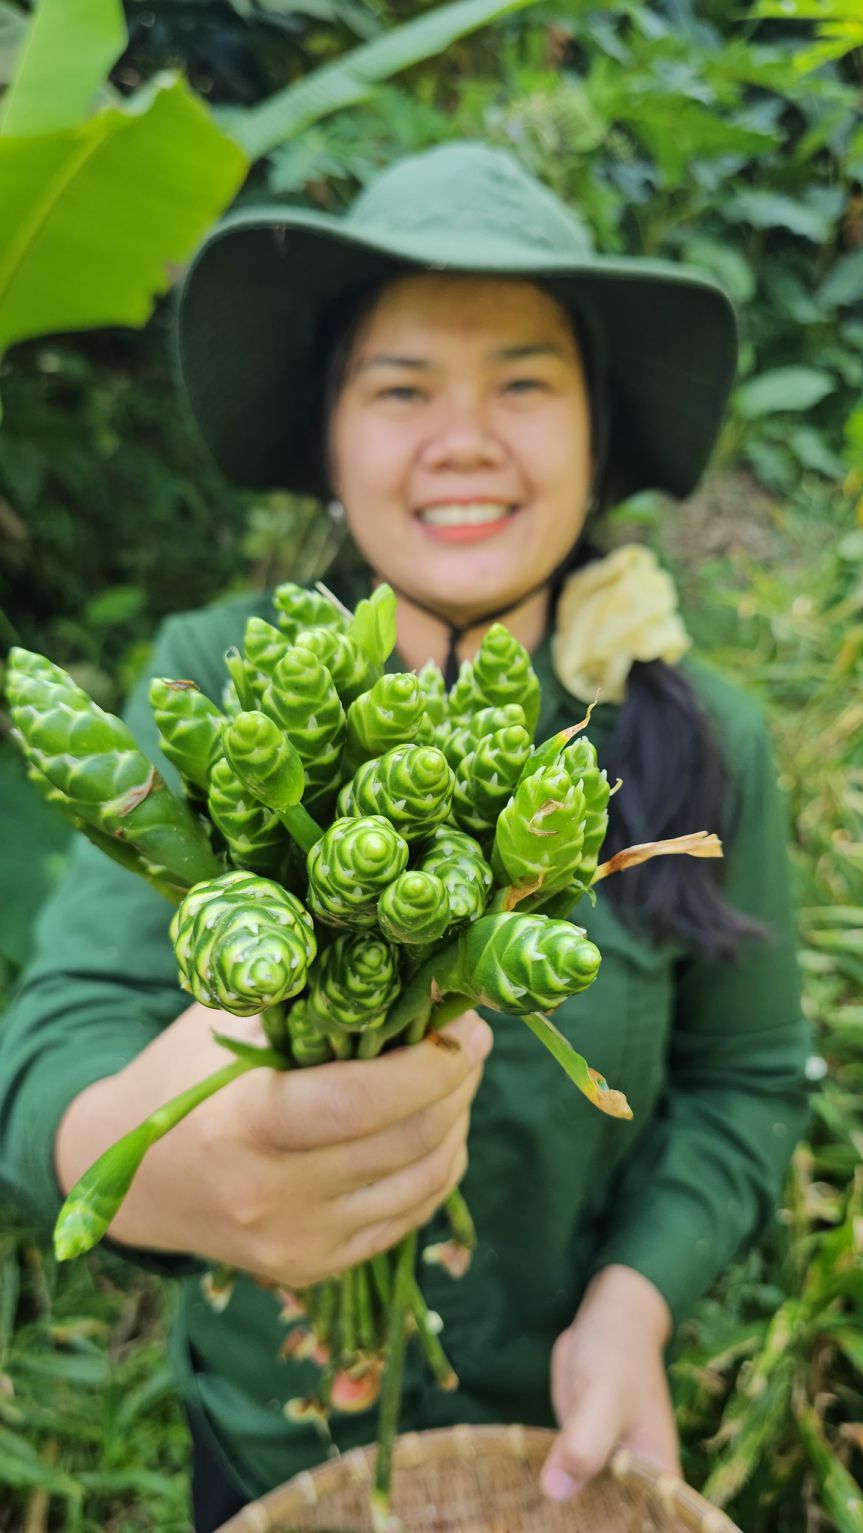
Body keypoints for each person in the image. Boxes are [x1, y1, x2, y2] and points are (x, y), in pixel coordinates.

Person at [0, 142, 811, 1530]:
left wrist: (635, 1301)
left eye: (524, 382)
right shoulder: (218, 680)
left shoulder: (704, 733)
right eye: (400, 387)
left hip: (557, 1437)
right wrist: (157, 1156)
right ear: (329, 436)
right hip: (273, 1444)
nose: (464, 436)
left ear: (597, 432)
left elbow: (745, 1078)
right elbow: (46, 1065)